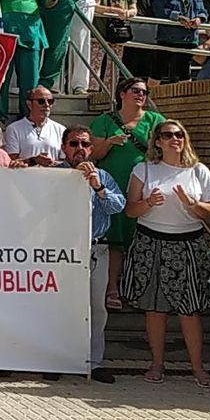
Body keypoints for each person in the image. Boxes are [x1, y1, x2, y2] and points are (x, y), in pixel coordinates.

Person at [122, 120, 210, 387]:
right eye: (167, 135)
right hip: (150, 242)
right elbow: (130, 210)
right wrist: (148, 203)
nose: (174, 139)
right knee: (154, 309)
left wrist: (193, 204)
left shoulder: (198, 171)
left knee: (189, 309)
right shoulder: (143, 169)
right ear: (157, 141)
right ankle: (156, 363)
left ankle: (198, 368)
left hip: (188, 243)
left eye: (179, 135)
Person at [57, 127, 126, 383]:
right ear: (64, 148)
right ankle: (58, 360)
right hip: (63, 249)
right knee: (62, 307)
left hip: (96, 248)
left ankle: (94, 361)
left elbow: (117, 206)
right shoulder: (54, 175)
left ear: (91, 149)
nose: (80, 149)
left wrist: (98, 188)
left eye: (85, 144)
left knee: (97, 308)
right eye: (73, 144)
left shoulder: (104, 176)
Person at [89, 77, 165, 311]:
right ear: (122, 93)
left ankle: (138, 288)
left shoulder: (155, 120)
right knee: (115, 238)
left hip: (144, 186)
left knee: (141, 236)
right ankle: (112, 287)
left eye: (144, 91)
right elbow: (95, 154)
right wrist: (111, 141)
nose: (141, 95)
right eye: (136, 90)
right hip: (112, 186)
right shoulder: (105, 120)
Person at [148, 0, 207, 83]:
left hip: (188, 40)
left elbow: (203, 12)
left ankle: (185, 100)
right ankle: (149, 98)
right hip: (167, 39)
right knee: (157, 71)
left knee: (184, 72)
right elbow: (160, 12)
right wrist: (178, 17)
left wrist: (199, 19)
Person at [92, 0, 139, 91]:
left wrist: (127, 13)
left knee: (114, 65)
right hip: (99, 32)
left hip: (118, 34)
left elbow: (134, 9)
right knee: (95, 62)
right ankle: (93, 90)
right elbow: (96, 7)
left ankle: (110, 91)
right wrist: (115, 11)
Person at [65, 0, 101, 94]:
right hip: (60, 2)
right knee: (57, 45)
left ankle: (79, 85)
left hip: (82, 4)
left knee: (80, 43)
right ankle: (54, 84)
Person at [4, 86, 66, 166]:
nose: (46, 105)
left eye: (50, 101)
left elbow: (65, 160)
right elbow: (12, 161)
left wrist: (51, 163)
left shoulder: (61, 130)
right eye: (41, 101)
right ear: (29, 104)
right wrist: (34, 160)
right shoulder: (14, 129)